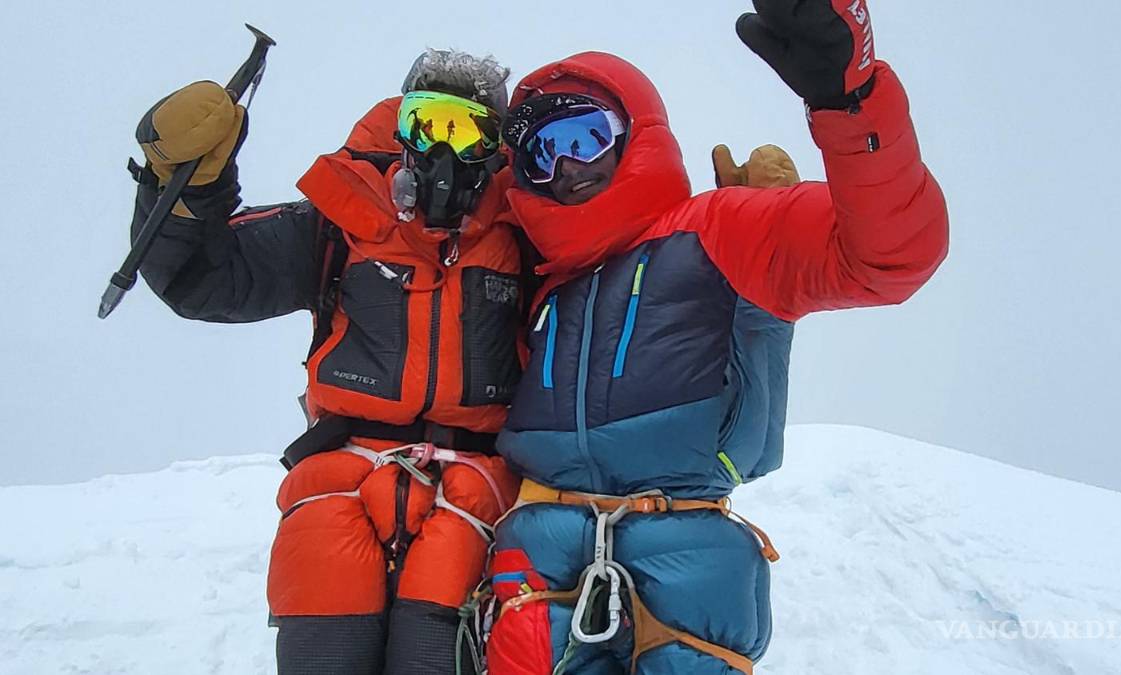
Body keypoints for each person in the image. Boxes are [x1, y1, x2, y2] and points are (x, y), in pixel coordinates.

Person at [483, 1, 949, 673]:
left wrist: (851, 103)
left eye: (585, 137)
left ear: (634, 134)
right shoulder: (539, 277)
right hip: (539, 546)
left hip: (685, 542)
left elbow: (890, 255)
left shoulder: (717, 229)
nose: (567, 167)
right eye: (540, 155)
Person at [127, 49, 526, 674]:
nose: (444, 150)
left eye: (467, 130)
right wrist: (186, 186)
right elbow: (205, 278)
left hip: (473, 486)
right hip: (340, 476)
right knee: (325, 645)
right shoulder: (342, 221)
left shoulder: (525, 237)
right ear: (401, 127)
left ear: (496, 146)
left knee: (434, 655)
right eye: (427, 123)